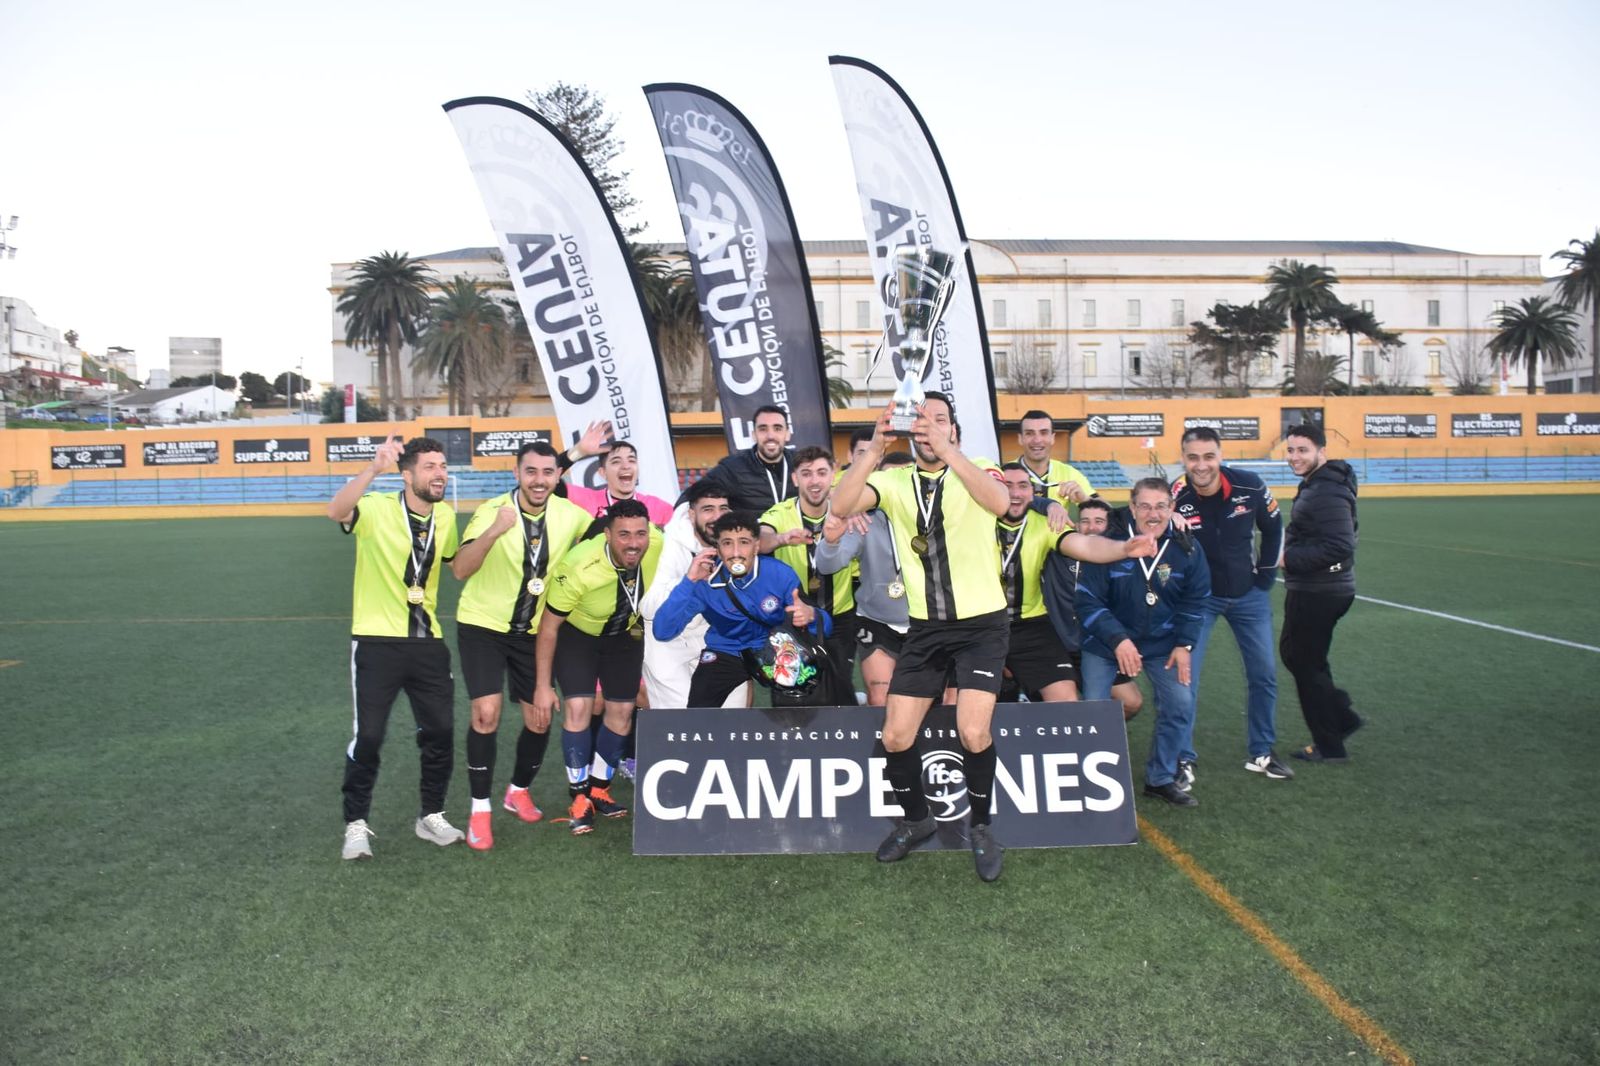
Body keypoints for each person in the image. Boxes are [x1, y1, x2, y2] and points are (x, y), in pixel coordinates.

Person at [831, 395, 1153, 882]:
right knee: (895, 736)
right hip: (925, 628)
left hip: (982, 626)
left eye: (942, 422)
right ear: (912, 432)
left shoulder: (979, 469)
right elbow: (839, 504)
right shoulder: (893, 482)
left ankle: (981, 828)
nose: (932, 429)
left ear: (955, 432)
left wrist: (950, 451)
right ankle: (917, 822)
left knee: (974, 732)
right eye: (924, 422)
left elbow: (1001, 504)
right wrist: (871, 452)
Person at [449, 441, 595, 850]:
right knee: (486, 713)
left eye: (547, 473)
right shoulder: (492, 510)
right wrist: (495, 530)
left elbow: (609, 539)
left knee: (540, 718)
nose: (539, 480)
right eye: (531, 472)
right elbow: (460, 569)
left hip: (532, 634)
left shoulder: (570, 515)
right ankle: (480, 809)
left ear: (557, 476)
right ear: (516, 473)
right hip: (483, 625)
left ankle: (517, 790)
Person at [327, 435, 463, 860]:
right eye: (429, 466)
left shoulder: (447, 518)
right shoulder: (377, 507)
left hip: (428, 644)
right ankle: (355, 825)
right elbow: (335, 510)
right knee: (368, 736)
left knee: (440, 732)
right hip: (376, 641)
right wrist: (372, 469)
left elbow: (453, 566)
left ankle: (431, 816)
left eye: (442, 466)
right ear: (407, 475)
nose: (439, 473)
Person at [1077, 477, 1211, 808]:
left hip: (1162, 645)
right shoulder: (1108, 543)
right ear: (1133, 507)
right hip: (1107, 646)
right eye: (1145, 506)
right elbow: (1086, 601)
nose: (1153, 514)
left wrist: (1185, 644)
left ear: (1172, 508)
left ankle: (1161, 778)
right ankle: (1090, 782)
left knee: (1180, 702)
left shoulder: (1187, 548)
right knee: (1095, 710)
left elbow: (1196, 600)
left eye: (1161, 506)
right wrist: (1118, 639)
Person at [532, 499, 662, 834]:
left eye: (640, 534)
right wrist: (543, 686)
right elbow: (548, 628)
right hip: (579, 637)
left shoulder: (660, 545)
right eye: (623, 535)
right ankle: (578, 796)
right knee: (579, 707)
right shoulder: (578, 566)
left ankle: (599, 788)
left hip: (623, 636)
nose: (633, 543)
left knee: (622, 711)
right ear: (607, 535)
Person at [1171, 426, 1292, 785]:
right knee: (1185, 680)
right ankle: (1182, 758)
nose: (1202, 465)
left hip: (1247, 596)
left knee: (1264, 674)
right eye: (1193, 457)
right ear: (1183, 459)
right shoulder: (1174, 494)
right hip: (1199, 602)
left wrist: (1266, 576)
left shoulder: (1250, 485)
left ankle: (1262, 752)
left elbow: (1274, 528)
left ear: (1220, 456)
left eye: (1209, 456)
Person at [653, 511, 828, 708]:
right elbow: (662, 631)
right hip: (727, 651)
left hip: (778, 649)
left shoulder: (780, 574)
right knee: (698, 712)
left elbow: (826, 626)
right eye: (727, 543)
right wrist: (689, 581)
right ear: (717, 549)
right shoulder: (704, 581)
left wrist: (811, 616)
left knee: (799, 702)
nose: (736, 552)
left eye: (744, 542)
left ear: (757, 546)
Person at [1279, 423, 1362, 763]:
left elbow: (1341, 544)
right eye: (1291, 450)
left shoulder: (1327, 490)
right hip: (1317, 587)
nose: (1295, 457)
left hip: (1321, 590)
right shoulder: (1318, 484)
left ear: (1321, 452)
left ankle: (1331, 741)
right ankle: (1340, 718)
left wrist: (1290, 559)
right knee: (1301, 658)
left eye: (1303, 450)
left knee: (1303, 660)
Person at [814, 451, 915, 706]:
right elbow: (827, 566)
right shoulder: (863, 520)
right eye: (889, 478)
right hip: (877, 622)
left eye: (904, 477)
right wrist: (831, 540)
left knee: (936, 699)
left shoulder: (935, 520)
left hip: (925, 623)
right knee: (880, 698)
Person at [759, 445, 858, 704]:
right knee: (792, 693)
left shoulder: (848, 512)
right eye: (806, 473)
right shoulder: (780, 513)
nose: (814, 481)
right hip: (793, 620)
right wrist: (781, 539)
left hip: (839, 618)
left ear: (833, 474)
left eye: (821, 472)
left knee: (841, 693)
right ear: (795, 478)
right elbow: (759, 540)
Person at [639, 477, 746, 710]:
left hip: (714, 636)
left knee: (732, 717)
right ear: (691, 514)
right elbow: (647, 608)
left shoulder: (738, 543)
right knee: (682, 724)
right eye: (708, 509)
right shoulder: (665, 545)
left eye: (723, 509)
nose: (717, 517)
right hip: (667, 640)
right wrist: (688, 580)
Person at [995, 463, 1090, 702]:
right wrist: (1050, 503)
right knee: (958, 701)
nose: (1015, 493)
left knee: (1066, 701)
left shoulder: (1045, 524)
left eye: (1022, 486)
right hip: (982, 624)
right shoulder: (975, 519)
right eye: (1007, 486)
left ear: (1033, 492)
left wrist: (1122, 548)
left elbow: (1087, 544)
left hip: (1031, 623)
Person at [1042, 498, 1144, 719]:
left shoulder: (1118, 560)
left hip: (1096, 644)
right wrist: (1050, 505)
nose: (1092, 527)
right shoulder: (1057, 553)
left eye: (1099, 521)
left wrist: (1173, 516)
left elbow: (1143, 512)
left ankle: (1099, 736)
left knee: (1131, 702)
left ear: (1109, 525)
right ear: (1077, 526)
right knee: (1066, 703)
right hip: (1057, 643)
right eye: (1085, 521)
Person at [687, 404, 797, 513]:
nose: (770, 436)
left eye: (777, 429)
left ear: (787, 434)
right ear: (754, 435)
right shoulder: (732, 469)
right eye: (763, 429)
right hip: (754, 530)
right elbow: (690, 496)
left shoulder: (802, 464)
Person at [561, 438, 674, 529]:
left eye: (631, 460)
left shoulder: (660, 509)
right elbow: (547, 481)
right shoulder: (584, 500)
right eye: (616, 461)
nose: (626, 466)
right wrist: (578, 451)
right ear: (602, 472)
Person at [1016, 409, 1094, 503]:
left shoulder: (1069, 474)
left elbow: (1106, 512)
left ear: (1052, 438)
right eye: (1029, 433)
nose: (1037, 440)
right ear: (1020, 438)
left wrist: (1085, 499)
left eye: (1044, 433)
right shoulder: (1003, 473)